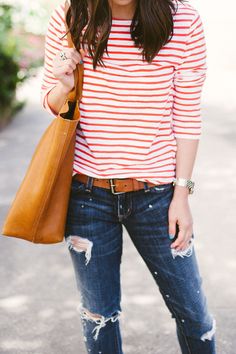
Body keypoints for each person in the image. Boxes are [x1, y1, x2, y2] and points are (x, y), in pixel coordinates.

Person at [40, 0, 217, 353]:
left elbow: (186, 116)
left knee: (194, 315)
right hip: (86, 196)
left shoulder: (184, 21)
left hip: (158, 196)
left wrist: (182, 195)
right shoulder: (72, 15)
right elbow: (53, 103)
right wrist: (62, 81)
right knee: (99, 317)